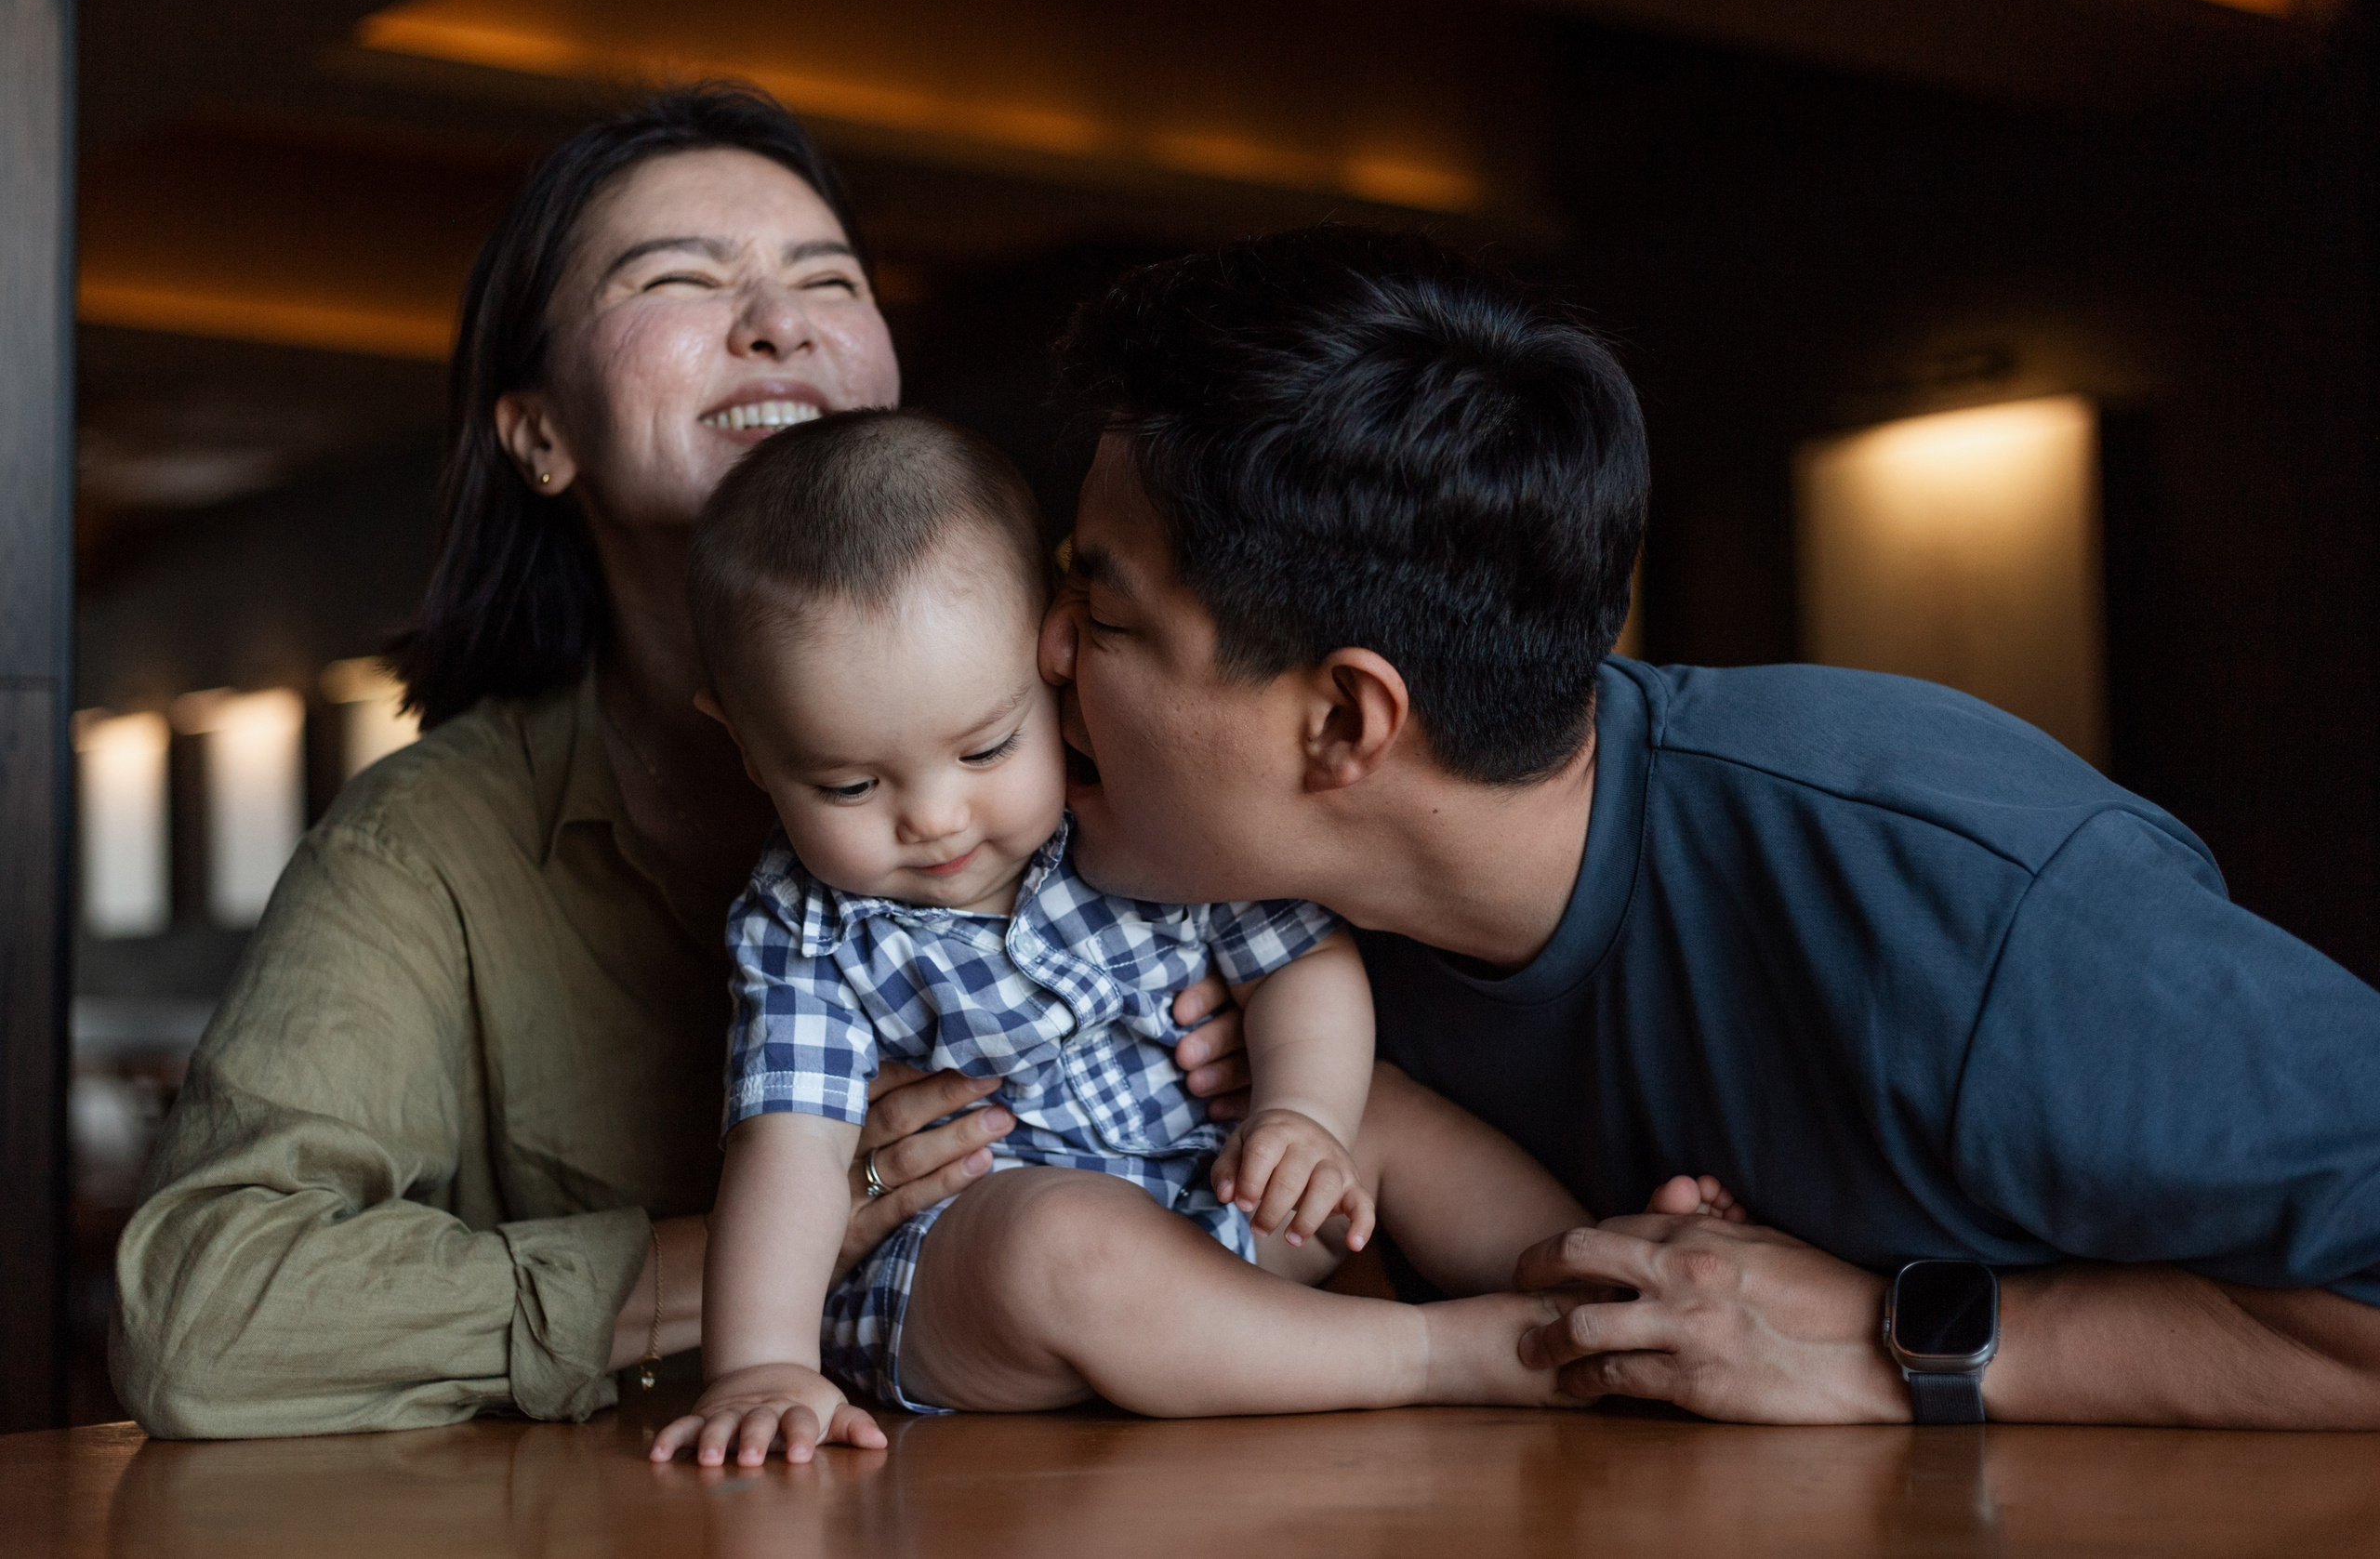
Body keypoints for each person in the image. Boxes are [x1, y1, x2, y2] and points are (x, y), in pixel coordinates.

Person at [1027, 223, 2380, 1428]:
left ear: (1344, 722)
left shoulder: (1952, 897)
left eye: (1107, 614)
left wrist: (1889, 1346)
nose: (1041, 652)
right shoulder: (1199, 913)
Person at [105, 86, 1255, 1437]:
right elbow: (203, 1316)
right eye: (677, 279)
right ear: (540, 432)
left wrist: (1263, 1031)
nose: (778, 320)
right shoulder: (432, 845)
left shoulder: (1097, 694)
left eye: (827, 279)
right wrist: (751, 1250)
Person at [650, 408, 1743, 1466]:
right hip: (983, 1279)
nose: (934, 818)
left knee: (1383, 1112)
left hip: (1221, 1196)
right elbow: (786, 1153)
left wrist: (1300, 1118)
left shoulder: (1142, 817)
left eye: (986, 750)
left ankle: (1603, 1285)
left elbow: (1300, 963)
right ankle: (1434, 1352)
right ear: (746, 745)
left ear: (1050, 656)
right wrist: (760, 1366)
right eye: (847, 781)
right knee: (1053, 1245)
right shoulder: (809, 928)